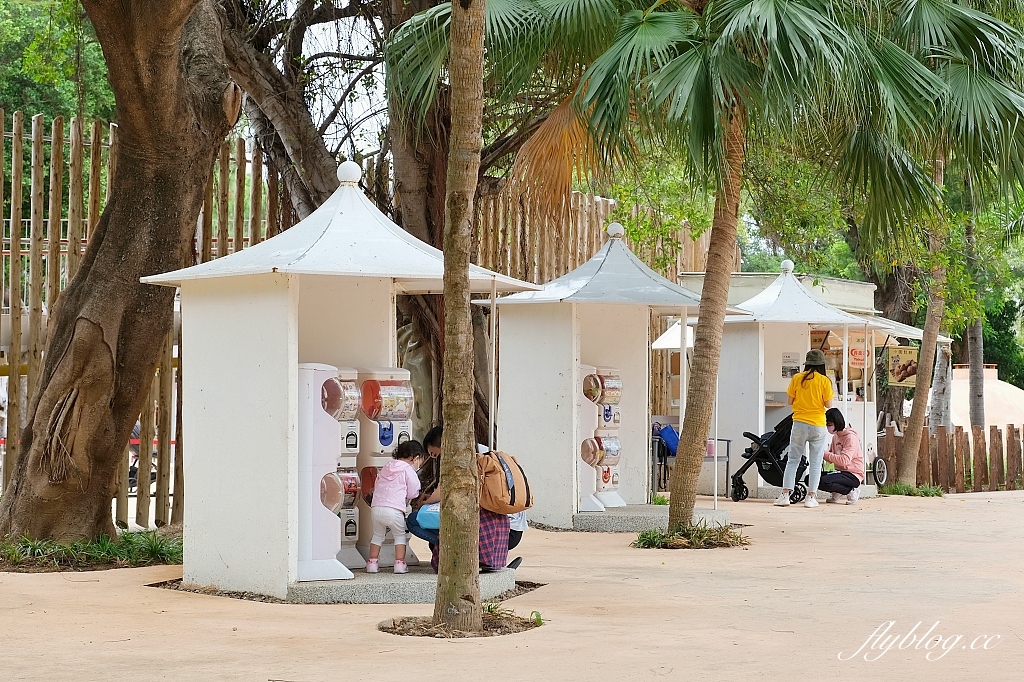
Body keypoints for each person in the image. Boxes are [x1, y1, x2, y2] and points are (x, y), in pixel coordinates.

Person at [407, 425, 513, 572]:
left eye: (433, 453)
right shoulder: (484, 457)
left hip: (475, 528)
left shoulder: (456, 462)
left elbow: (443, 490)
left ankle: (452, 553)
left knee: (413, 520)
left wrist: (425, 502)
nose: (434, 458)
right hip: (502, 531)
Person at [775, 349, 834, 508]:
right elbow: (829, 405)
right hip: (818, 425)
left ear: (807, 364)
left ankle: (785, 495)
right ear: (821, 364)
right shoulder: (825, 381)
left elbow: (789, 401)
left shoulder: (797, 378)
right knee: (815, 462)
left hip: (799, 423)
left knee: (793, 459)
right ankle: (810, 498)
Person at [366, 440, 425, 574]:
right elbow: (413, 490)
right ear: (415, 458)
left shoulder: (387, 466)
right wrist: (413, 495)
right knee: (399, 536)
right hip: (394, 509)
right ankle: (399, 564)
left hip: (376, 508)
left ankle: (372, 563)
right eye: (420, 461)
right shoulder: (407, 469)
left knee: (377, 535)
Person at [820, 407, 864, 504]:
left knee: (824, 481)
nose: (828, 427)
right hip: (840, 472)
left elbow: (844, 460)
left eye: (830, 424)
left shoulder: (851, 438)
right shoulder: (835, 437)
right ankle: (838, 491)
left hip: (853, 475)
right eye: (827, 424)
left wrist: (824, 453)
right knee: (809, 479)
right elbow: (830, 458)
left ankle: (851, 491)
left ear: (837, 422)